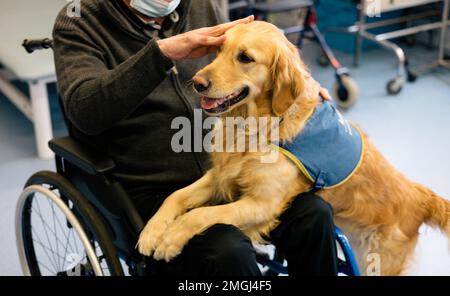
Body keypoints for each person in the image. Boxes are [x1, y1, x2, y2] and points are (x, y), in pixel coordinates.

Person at [53, 0, 338, 276]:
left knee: (313, 215)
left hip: (227, 165)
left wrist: (299, 88)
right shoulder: (79, 21)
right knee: (226, 251)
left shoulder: (201, 4)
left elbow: (253, 66)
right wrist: (160, 55)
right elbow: (84, 111)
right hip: (148, 184)